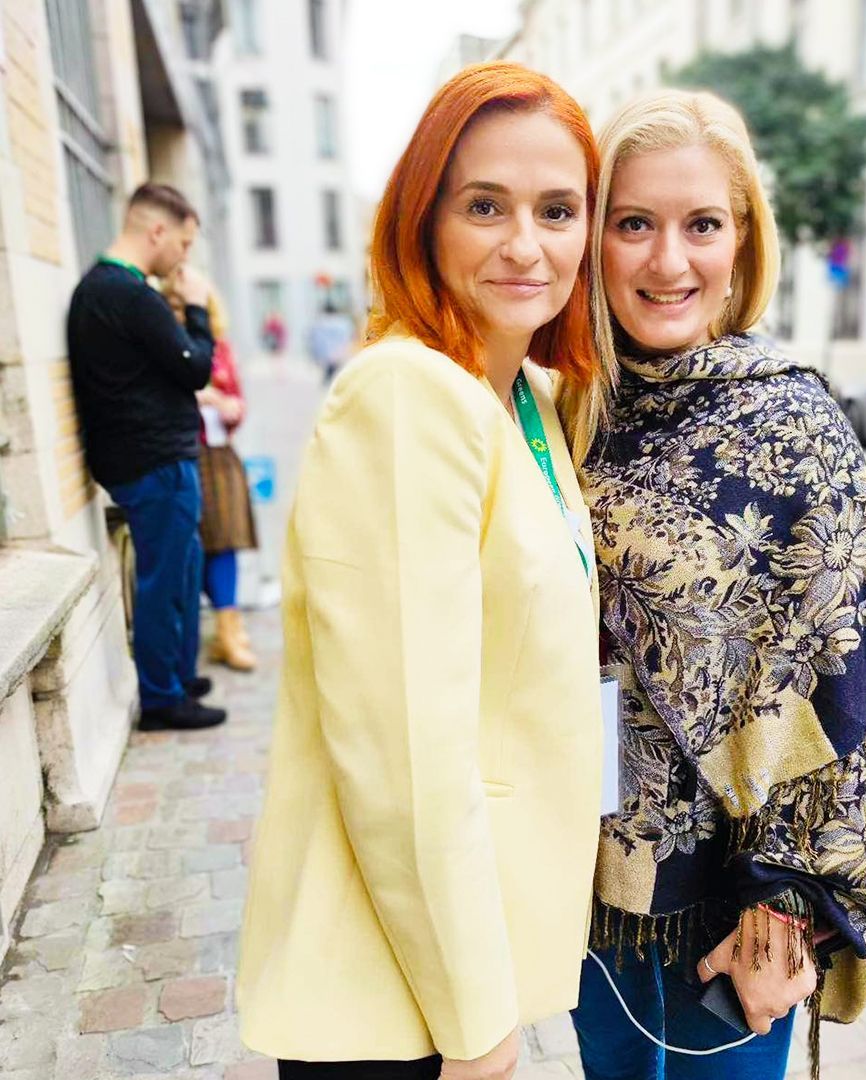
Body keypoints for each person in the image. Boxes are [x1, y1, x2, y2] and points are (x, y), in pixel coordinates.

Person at [237, 63, 604, 1079]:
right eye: (485, 206)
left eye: (557, 209)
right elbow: (403, 748)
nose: (526, 244)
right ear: (423, 221)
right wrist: (478, 1028)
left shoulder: (525, 397)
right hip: (391, 989)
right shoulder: (407, 393)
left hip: (449, 956)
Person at [559, 90, 866, 1080]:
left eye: (702, 225)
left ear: (742, 242)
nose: (667, 261)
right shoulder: (567, 410)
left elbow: (840, 691)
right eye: (632, 224)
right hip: (591, 875)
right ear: (593, 239)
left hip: (738, 903)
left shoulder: (794, 423)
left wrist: (786, 916)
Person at [68, 182, 227, 733]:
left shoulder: (103, 290)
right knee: (166, 581)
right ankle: (162, 698)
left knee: (181, 572)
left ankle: (176, 679)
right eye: (183, 244)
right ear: (157, 231)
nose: (184, 259)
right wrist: (198, 308)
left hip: (149, 458)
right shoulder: (128, 294)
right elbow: (194, 366)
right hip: (155, 463)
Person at [162, 277, 260, 671]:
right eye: (175, 304)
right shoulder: (164, 345)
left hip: (220, 453)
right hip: (186, 452)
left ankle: (228, 630)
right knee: (201, 542)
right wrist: (206, 397)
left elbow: (237, 399)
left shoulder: (221, 348)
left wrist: (232, 409)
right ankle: (222, 629)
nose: (183, 312)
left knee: (227, 539)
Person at [307, 300, 354, 384]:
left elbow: (315, 338)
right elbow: (349, 335)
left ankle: (330, 379)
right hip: (339, 349)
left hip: (327, 351)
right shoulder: (343, 321)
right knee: (338, 369)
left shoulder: (320, 322)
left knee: (333, 369)